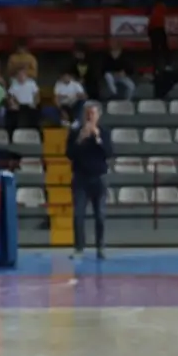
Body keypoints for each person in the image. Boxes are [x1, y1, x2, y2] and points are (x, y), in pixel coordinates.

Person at [65, 103, 114, 259]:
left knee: (100, 214)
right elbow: (69, 154)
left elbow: (109, 153)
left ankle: (101, 247)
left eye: (92, 113)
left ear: (98, 115)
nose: (89, 117)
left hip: (99, 178)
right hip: (80, 179)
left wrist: (98, 137)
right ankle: (79, 248)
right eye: (87, 114)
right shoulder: (74, 132)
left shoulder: (105, 132)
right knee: (78, 215)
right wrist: (80, 139)